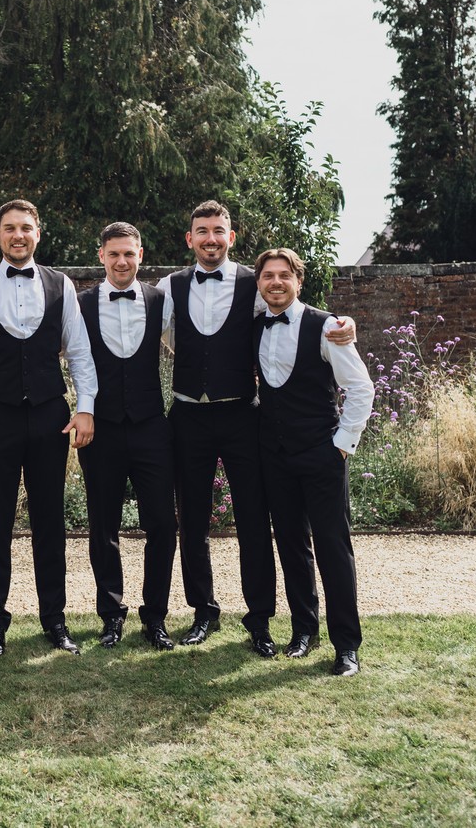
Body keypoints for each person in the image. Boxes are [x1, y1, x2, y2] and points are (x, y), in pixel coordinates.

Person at [161, 201, 354, 654]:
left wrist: (346, 325)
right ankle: (203, 611)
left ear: (231, 237)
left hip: (242, 417)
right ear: (190, 239)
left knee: (253, 520)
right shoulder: (170, 286)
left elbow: (294, 314)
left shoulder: (255, 282)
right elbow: (163, 334)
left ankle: (260, 619)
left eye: (219, 230)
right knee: (192, 520)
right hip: (188, 415)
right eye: (202, 231)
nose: (210, 238)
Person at [0, 199, 97, 657]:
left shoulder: (60, 284)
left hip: (51, 416)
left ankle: (55, 621)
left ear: (37, 233)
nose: (18, 235)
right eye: (9, 228)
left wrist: (85, 407)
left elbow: (79, 351)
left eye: (26, 227)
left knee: (50, 523)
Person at [252, 247, 375, 676]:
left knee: (333, 548)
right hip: (275, 456)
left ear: (299, 281)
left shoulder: (326, 327)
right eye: (268, 276)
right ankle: (304, 631)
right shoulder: (255, 321)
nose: (276, 282)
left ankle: (347, 645)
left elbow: (361, 388)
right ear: (259, 283)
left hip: (322, 454)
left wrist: (342, 444)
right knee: (291, 545)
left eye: (284, 275)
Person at [75, 222, 178, 650]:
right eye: (114, 254)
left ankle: (155, 617)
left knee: (163, 524)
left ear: (140, 255)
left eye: (129, 254)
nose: (122, 262)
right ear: (101, 256)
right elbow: (47, 347)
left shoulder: (160, 302)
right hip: (100, 429)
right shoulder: (79, 304)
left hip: (152, 426)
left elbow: (192, 346)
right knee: (104, 526)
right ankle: (111, 615)